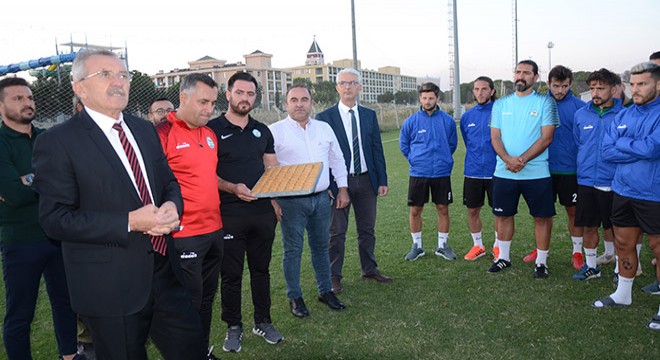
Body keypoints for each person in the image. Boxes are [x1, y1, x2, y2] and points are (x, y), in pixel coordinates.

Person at [31, 49, 206, 359]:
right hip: (109, 285)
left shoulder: (143, 129)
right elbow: (54, 219)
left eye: (123, 74)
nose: (118, 82)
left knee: (191, 348)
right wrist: (129, 222)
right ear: (79, 87)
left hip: (165, 269)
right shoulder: (57, 142)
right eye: (105, 74)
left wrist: (172, 206)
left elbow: (168, 182)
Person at [0, 77, 79, 360]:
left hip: (58, 234)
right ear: (1, 106)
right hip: (21, 240)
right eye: (17, 98)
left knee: (66, 302)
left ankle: (70, 356)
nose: (27, 102)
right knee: (21, 313)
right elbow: (14, 193)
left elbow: (70, 184)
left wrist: (28, 180)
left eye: (29, 97)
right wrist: (46, 181)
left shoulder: (48, 137)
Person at [207, 72, 284, 352]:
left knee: (261, 270)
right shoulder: (211, 130)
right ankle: (233, 326)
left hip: (262, 212)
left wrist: (275, 198)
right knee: (231, 274)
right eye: (240, 93)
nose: (245, 98)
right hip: (229, 213)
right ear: (228, 94)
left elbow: (272, 168)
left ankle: (263, 321)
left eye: (250, 94)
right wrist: (231, 187)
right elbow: (206, 175)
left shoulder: (262, 130)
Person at [155, 73, 223, 359]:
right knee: (188, 303)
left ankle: (201, 351)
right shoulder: (161, 133)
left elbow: (209, 177)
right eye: (203, 102)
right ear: (183, 98)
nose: (209, 109)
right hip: (183, 235)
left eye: (213, 103)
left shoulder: (209, 134)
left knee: (207, 299)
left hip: (214, 230)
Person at [269, 84, 349, 318]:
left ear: (311, 102)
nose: (299, 104)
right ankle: (295, 297)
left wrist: (342, 188)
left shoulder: (324, 128)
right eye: (294, 100)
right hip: (291, 202)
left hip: (322, 200)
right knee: (292, 251)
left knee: (321, 248)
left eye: (304, 99)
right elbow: (267, 168)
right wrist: (273, 199)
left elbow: (337, 159)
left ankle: (325, 291)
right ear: (286, 104)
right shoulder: (275, 131)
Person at [593, 62, 660, 332]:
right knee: (623, 243)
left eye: (642, 84)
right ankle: (623, 293)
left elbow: (653, 148)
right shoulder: (624, 114)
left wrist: (625, 145)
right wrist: (636, 147)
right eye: (633, 84)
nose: (636, 89)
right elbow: (606, 150)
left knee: (658, 247)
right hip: (623, 190)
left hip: (653, 193)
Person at [315, 68, 391, 293]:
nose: (347, 87)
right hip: (340, 183)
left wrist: (382, 179)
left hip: (367, 181)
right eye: (343, 83)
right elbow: (323, 154)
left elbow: (377, 148)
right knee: (337, 232)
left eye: (352, 83)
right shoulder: (325, 117)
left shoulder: (369, 115)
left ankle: (369, 269)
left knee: (367, 229)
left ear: (359, 87)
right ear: (337, 87)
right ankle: (333, 276)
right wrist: (331, 185)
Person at [488, 60, 560, 278]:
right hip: (504, 172)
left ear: (535, 77)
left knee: (542, 217)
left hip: (537, 173)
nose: (521, 76)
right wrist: (508, 160)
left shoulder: (545, 103)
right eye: (518, 72)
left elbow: (547, 138)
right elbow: (495, 137)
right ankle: (504, 258)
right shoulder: (500, 104)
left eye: (526, 73)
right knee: (503, 216)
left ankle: (541, 262)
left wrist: (522, 160)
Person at [523, 66, 586, 270]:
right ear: (548, 84)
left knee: (573, 212)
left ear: (570, 85)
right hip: (542, 169)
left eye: (565, 86)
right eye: (556, 85)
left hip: (570, 170)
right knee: (542, 214)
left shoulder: (579, 107)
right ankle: (541, 250)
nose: (560, 90)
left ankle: (577, 251)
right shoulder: (537, 103)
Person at [571, 68, 625, 281]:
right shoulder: (581, 114)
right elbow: (579, 143)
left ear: (613, 89)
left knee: (619, 229)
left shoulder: (624, 114)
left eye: (601, 88)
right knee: (588, 226)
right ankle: (592, 266)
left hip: (615, 181)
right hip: (586, 180)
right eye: (592, 88)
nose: (595, 92)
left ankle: (620, 269)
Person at [400, 82, 458, 262]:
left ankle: (442, 246)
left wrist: (443, 159)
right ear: (420, 99)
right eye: (424, 98)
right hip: (419, 172)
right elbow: (404, 145)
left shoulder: (447, 121)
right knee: (416, 209)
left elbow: (452, 144)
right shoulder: (411, 121)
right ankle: (417, 246)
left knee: (443, 208)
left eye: (431, 98)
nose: (427, 101)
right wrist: (416, 160)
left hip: (441, 172)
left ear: (437, 98)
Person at [459, 76, 499, 261]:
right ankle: (478, 246)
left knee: (500, 211)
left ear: (492, 91)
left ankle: (499, 245)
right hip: (473, 171)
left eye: (484, 89)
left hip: (496, 171)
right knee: (472, 210)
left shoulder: (500, 112)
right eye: (476, 89)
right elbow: (468, 142)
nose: (480, 93)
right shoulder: (467, 116)